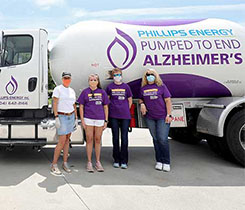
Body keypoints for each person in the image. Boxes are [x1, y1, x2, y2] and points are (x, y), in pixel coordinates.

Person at [139, 69, 173, 172]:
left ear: (156, 76)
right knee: (155, 139)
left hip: (162, 117)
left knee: (162, 139)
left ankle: (166, 161)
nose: (150, 76)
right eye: (147, 75)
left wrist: (169, 114)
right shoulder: (143, 88)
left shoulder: (161, 87)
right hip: (150, 117)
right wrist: (142, 104)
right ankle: (159, 161)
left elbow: (168, 101)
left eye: (152, 74)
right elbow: (141, 99)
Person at [78, 74, 109, 172]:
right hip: (88, 119)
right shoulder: (85, 92)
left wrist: (106, 120)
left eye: (95, 80)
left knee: (98, 139)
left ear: (98, 81)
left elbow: (105, 107)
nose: (93, 81)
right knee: (89, 139)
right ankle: (89, 162)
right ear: (88, 81)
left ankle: (98, 162)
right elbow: (81, 106)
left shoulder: (102, 92)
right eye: (91, 80)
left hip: (99, 119)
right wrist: (82, 120)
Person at [51, 72, 78, 176]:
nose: (67, 79)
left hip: (70, 116)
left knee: (67, 140)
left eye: (68, 78)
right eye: (65, 78)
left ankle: (65, 163)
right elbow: (55, 103)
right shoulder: (58, 89)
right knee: (61, 141)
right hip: (62, 116)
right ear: (62, 79)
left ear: (70, 79)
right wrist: (56, 116)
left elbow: (74, 105)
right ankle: (54, 164)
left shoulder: (72, 91)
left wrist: (75, 118)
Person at [106, 68, 133, 169]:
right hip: (113, 116)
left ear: (121, 75)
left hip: (125, 116)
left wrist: (125, 109)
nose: (117, 77)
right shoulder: (109, 87)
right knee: (115, 138)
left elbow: (130, 100)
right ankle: (116, 159)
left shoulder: (126, 87)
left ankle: (124, 160)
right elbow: (107, 101)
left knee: (125, 138)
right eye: (115, 75)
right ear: (112, 77)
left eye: (119, 75)